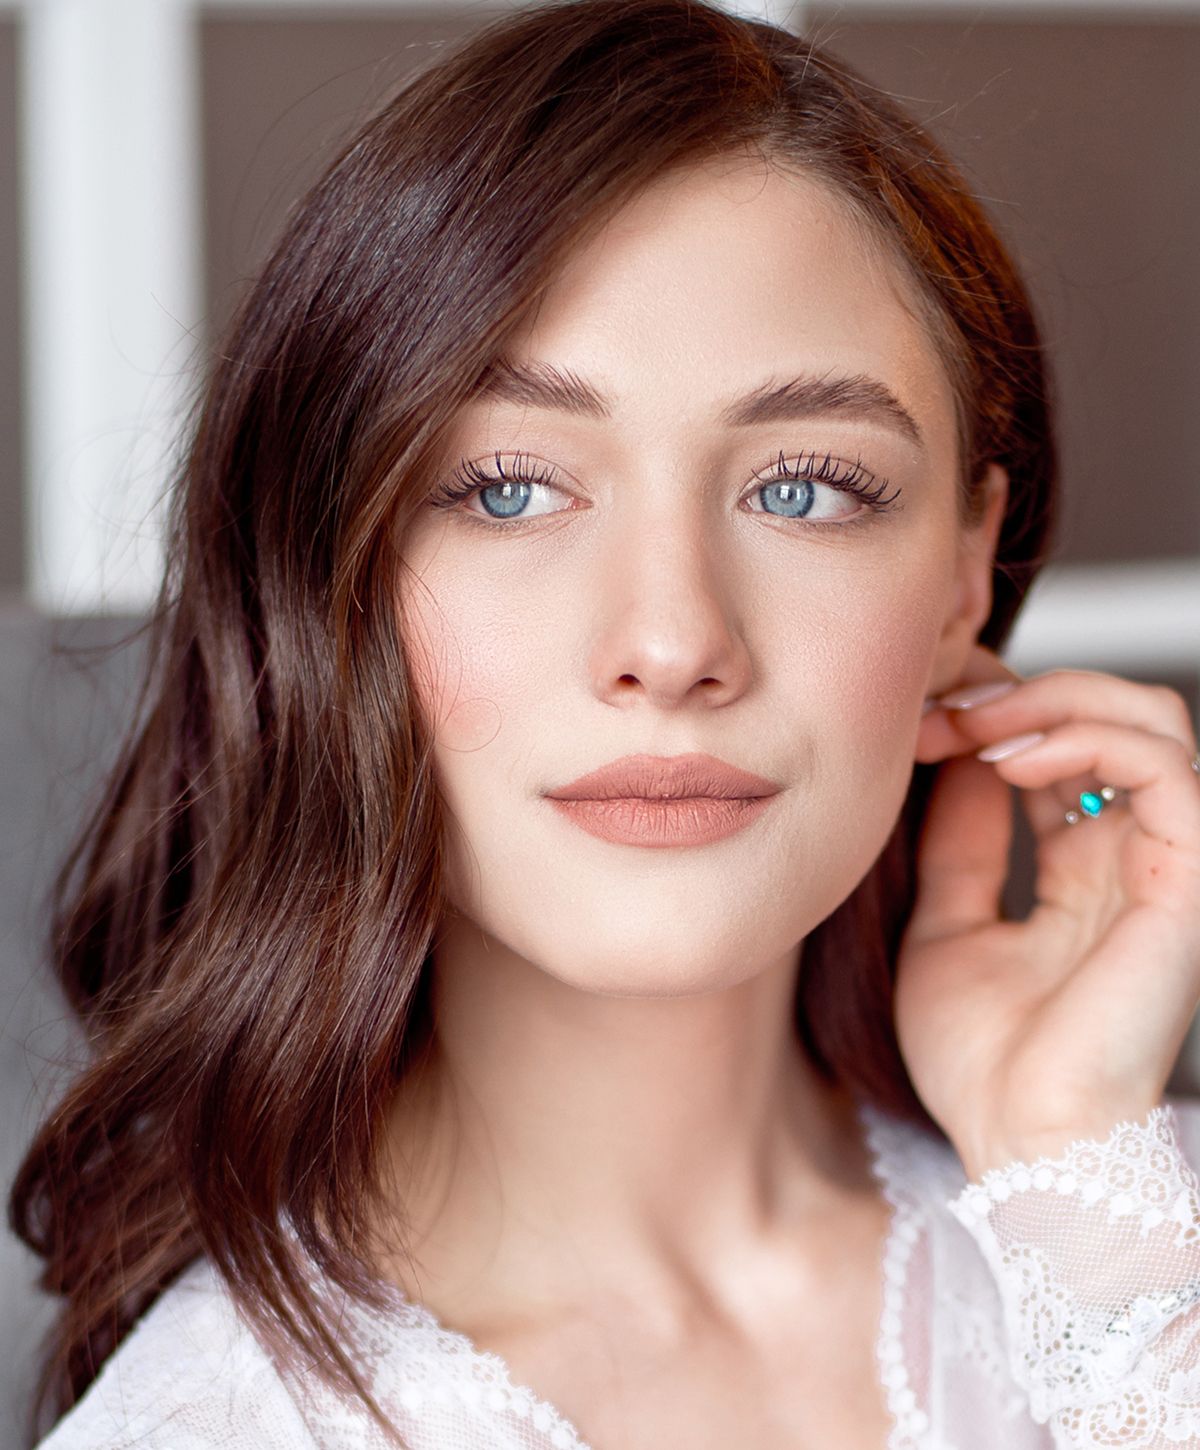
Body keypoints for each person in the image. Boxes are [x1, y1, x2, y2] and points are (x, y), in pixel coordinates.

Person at [11, 0, 1200, 1446]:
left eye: (805, 487)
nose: (672, 641)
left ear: (964, 573)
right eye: (507, 487)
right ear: (331, 576)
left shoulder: (1127, 1229)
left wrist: (1079, 1173)